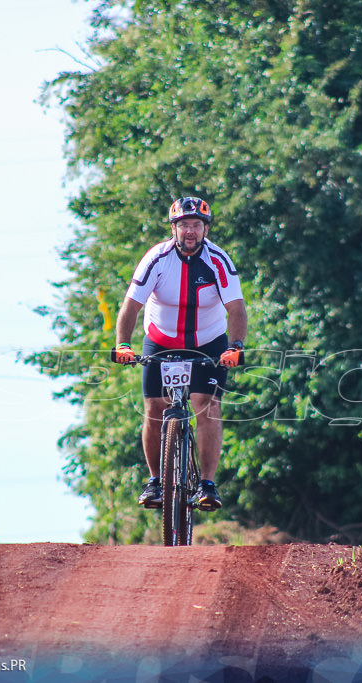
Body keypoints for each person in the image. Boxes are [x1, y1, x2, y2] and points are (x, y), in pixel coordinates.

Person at [112, 196, 247, 511]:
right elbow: (131, 306)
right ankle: (156, 482)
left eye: (196, 225)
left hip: (209, 340)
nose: (190, 231)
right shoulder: (156, 259)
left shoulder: (218, 260)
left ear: (205, 229)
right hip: (161, 339)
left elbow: (237, 309)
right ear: (174, 228)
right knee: (155, 406)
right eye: (184, 224)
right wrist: (122, 344)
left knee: (207, 406)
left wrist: (235, 347)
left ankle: (207, 484)